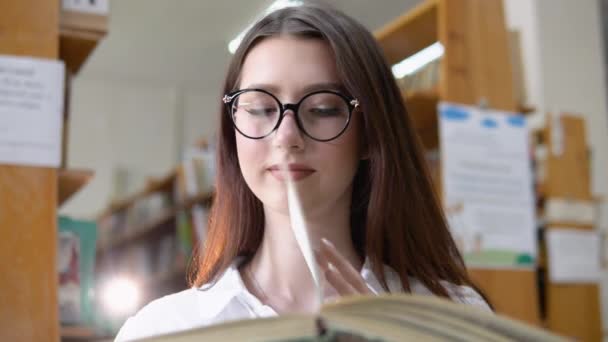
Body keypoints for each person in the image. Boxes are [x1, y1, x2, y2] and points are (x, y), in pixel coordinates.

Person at [115, 2, 491, 341]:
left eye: (324, 109)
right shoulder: (163, 330)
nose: (287, 136)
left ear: (369, 133)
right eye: (260, 108)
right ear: (231, 131)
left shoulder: (454, 319)